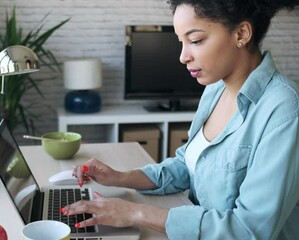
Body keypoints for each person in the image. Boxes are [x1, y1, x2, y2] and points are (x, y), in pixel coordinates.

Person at [61, 0, 299, 239]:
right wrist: (119, 177)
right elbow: (189, 165)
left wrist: (135, 213)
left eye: (195, 40)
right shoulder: (216, 88)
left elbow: (249, 229)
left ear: (241, 33)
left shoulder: (284, 110)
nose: (183, 57)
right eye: (181, 42)